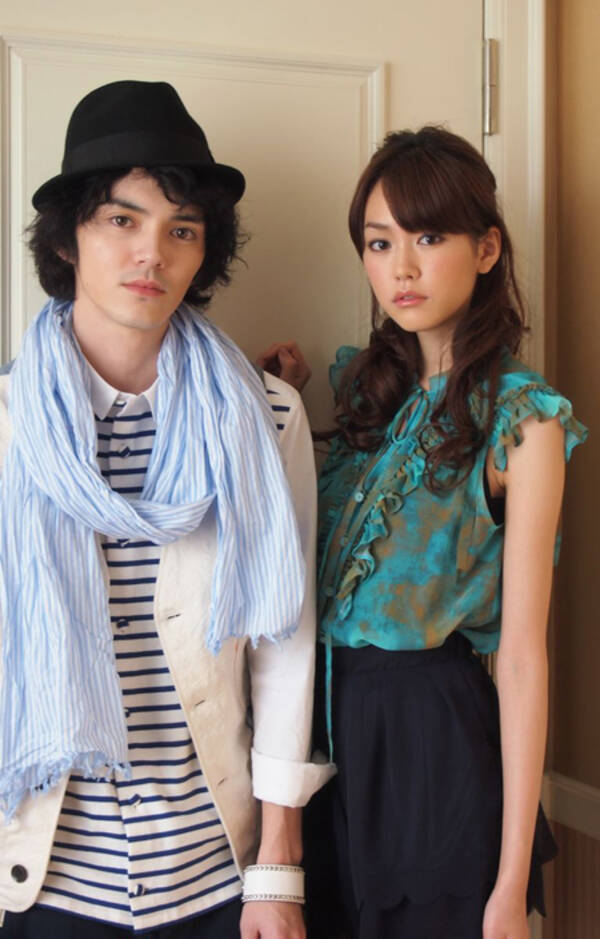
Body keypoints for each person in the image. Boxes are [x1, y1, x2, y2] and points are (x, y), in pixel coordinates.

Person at [0, 79, 334, 939]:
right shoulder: (7, 424)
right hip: (39, 883)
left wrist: (278, 872)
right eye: (122, 219)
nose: (151, 253)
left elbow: (284, 643)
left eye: (181, 229)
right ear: (68, 237)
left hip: (215, 877)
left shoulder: (263, 417)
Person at [262, 127, 587, 939]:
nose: (401, 268)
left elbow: (523, 657)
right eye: (380, 243)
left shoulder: (523, 419)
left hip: (434, 749)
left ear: (486, 249)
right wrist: (285, 403)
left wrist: (509, 884)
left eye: (429, 237)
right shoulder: (366, 393)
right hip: (327, 742)